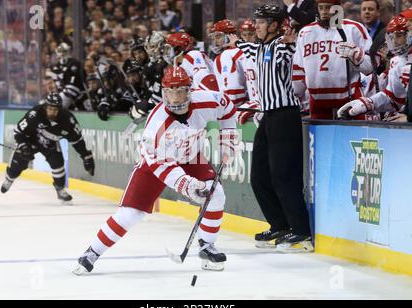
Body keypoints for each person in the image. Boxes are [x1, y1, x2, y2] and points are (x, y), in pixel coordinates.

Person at [73, 66, 239, 274]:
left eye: (180, 91)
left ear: (190, 90)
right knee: (130, 214)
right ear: (163, 92)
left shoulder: (206, 100)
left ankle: (207, 246)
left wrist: (228, 139)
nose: (176, 98)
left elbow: (228, 108)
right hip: (156, 165)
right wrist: (187, 185)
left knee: (216, 194)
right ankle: (92, 252)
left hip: (191, 157)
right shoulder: (156, 125)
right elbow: (162, 166)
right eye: (170, 91)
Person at [231, 4, 313, 252]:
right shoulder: (259, 46)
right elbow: (245, 46)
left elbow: (287, 51)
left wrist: (289, 42)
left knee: (283, 177)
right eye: (256, 20)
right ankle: (280, 224)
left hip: (285, 116)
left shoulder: (279, 45)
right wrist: (234, 41)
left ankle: (300, 231)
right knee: (258, 177)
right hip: (268, 116)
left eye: (262, 21)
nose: (256, 25)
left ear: (276, 25)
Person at [0, 92, 95, 203]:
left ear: (60, 109)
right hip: (30, 140)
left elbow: (77, 141)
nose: (52, 112)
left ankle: (60, 189)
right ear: (45, 107)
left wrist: (86, 156)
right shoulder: (34, 114)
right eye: (50, 109)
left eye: (55, 109)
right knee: (19, 161)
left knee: (58, 162)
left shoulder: (68, 121)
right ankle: (9, 179)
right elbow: (18, 131)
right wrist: (23, 146)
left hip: (50, 143)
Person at [291, 0, 373, 119]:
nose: (324, 12)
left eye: (328, 7)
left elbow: (370, 67)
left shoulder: (354, 29)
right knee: (319, 137)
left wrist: (357, 56)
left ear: (337, 8)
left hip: (349, 98)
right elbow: (299, 70)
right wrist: (295, 96)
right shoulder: (305, 32)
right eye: (321, 8)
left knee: (353, 136)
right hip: (317, 101)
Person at [337, 15, 411, 120]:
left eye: (399, 35)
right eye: (392, 37)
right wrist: (366, 104)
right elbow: (394, 99)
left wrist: (409, 118)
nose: (394, 42)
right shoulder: (397, 62)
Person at [47, 43, 86, 110]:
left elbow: (75, 83)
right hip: (61, 92)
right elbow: (55, 82)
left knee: (56, 107)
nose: (62, 54)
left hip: (73, 91)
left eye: (64, 51)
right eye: (60, 51)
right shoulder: (57, 66)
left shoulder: (74, 63)